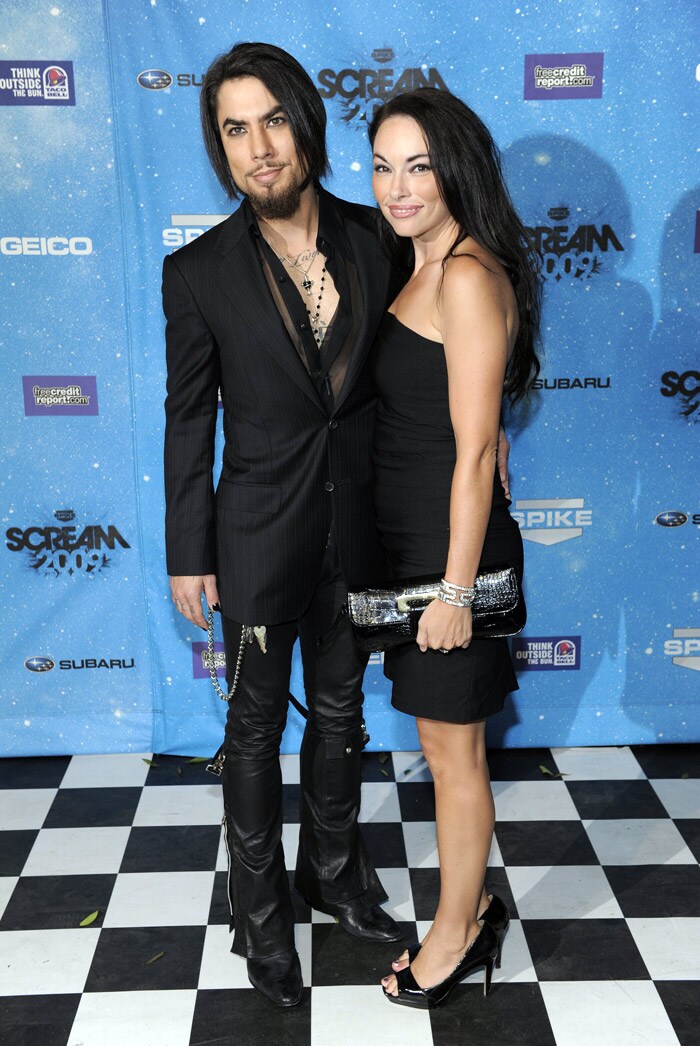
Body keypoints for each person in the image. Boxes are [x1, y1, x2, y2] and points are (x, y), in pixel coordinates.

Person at [163, 42, 406, 1009]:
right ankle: (261, 917)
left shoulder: (379, 235)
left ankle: (336, 877)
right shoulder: (198, 273)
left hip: (361, 534)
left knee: (342, 714)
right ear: (219, 150)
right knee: (256, 728)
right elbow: (189, 420)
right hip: (256, 538)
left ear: (305, 121)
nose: (258, 146)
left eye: (272, 120)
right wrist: (190, 551)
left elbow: (423, 366)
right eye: (234, 128)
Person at [368, 89, 541, 1008]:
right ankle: (465, 915)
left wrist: (455, 591)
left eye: (418, 166)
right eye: (383, 165)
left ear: (455, 168)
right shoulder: (418, 259)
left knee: (453, 755)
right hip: (409, 550)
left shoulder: (467, 275)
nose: (397, 187)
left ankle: (457, 935)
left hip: (449, 559)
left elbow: (476, 451)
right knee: (442, 746)